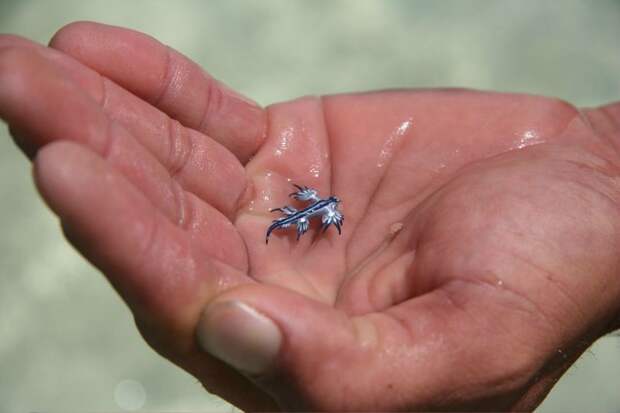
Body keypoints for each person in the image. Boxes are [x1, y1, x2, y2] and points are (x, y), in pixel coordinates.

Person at [0, 21, 619, 412]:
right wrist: (602, 152)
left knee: (289, 223)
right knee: (287, 221)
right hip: (303, 210)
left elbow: (323, 216)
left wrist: (602, 165)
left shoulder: (322, 212)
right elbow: (311, 211)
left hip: (307, 211)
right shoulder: (311, 209)